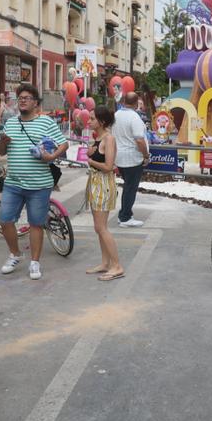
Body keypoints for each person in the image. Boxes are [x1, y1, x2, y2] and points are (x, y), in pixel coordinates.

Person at [0, 83, 70, 280]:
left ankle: (35, 262)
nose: (22, 100)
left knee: (36, 224)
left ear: (35, 103)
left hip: (39, 185)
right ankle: (15, 254)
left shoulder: (45, 122)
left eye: (27, 98)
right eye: (20, 97)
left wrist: (50, 156)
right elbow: (1, 151)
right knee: (5, 220)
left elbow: (64, 144)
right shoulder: (11, 123)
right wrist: (2, 143)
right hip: (13, 183)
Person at [85, 105, 125, 281]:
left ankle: (117, 265)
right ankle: (105, 262)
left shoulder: (108, 139)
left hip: (103, 184)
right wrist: (90, 154)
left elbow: (109, 167)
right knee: (98, 227)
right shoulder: (98, 138)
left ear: (101, 121)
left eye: (92, 118)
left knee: (102, 227)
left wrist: (90, 161)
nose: (89, 121)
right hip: (95, 184)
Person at [114, 92, 150, 228]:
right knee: (130, 188)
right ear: (136, 103)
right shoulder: (134, 118)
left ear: (124, 101)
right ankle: (125, 217)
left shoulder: (116, 115)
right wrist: (146, 155)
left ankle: (124, 213)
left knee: (128, 186)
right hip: (133, 158)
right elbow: (139, 140)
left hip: (120, 157)